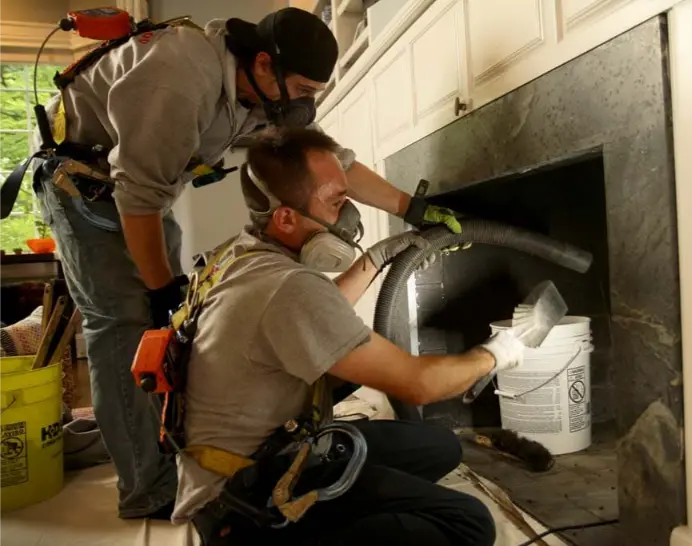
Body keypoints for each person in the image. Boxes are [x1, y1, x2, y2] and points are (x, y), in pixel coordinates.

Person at [32, 8, 461, 520]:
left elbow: (331, 163)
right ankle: (146, 487)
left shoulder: (266, 96)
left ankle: (161, 447)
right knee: (126, 325)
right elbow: (138, 195)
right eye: (303, 88)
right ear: (263, 63)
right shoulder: (181, 76)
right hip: (83, 185)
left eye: (315, 92)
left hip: (140, 191)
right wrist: (162, 289)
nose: (306, 103)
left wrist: (410, 209)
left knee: (162, 327)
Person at [172, 128, 526, 545]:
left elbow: (315, 316)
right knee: (468, 522)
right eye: (337, 202)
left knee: (439, 447)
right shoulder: (286, 287)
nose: (348, 216)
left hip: (259, 459)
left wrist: (378, 256)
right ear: (286, 217)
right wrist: (499, 352)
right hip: (250, 504)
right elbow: (419, 384)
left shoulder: (243, 256)